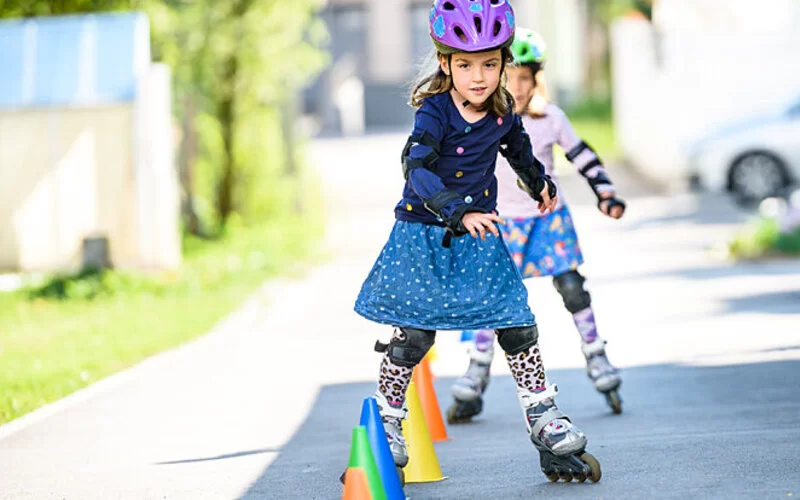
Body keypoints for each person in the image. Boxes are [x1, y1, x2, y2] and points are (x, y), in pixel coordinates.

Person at [353, 1, 600, 484]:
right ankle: (387, 420)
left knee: (517, 324)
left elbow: (520, 152)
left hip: (481, 235)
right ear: (445, 64)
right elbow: (416, 167)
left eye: (491, 63)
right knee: (415, 335)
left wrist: (539, 182)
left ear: (506, 62)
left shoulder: (504, 112)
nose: (479, 76)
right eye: (465, 65)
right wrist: (456, 209)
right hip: (424, 236)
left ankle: (544, 419)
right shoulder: (435, 112)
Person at [447, 28, 627, 426]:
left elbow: (582, 155)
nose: (517, 87)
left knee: (571, 286)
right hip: (500, 221)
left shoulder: (549, 118)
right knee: (491, 298)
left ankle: (596, 354)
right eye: (509, 78)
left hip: (547, 219)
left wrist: (606, 193)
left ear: (536, 80)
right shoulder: (482, 118)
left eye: (524, 78)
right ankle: (477, 371)